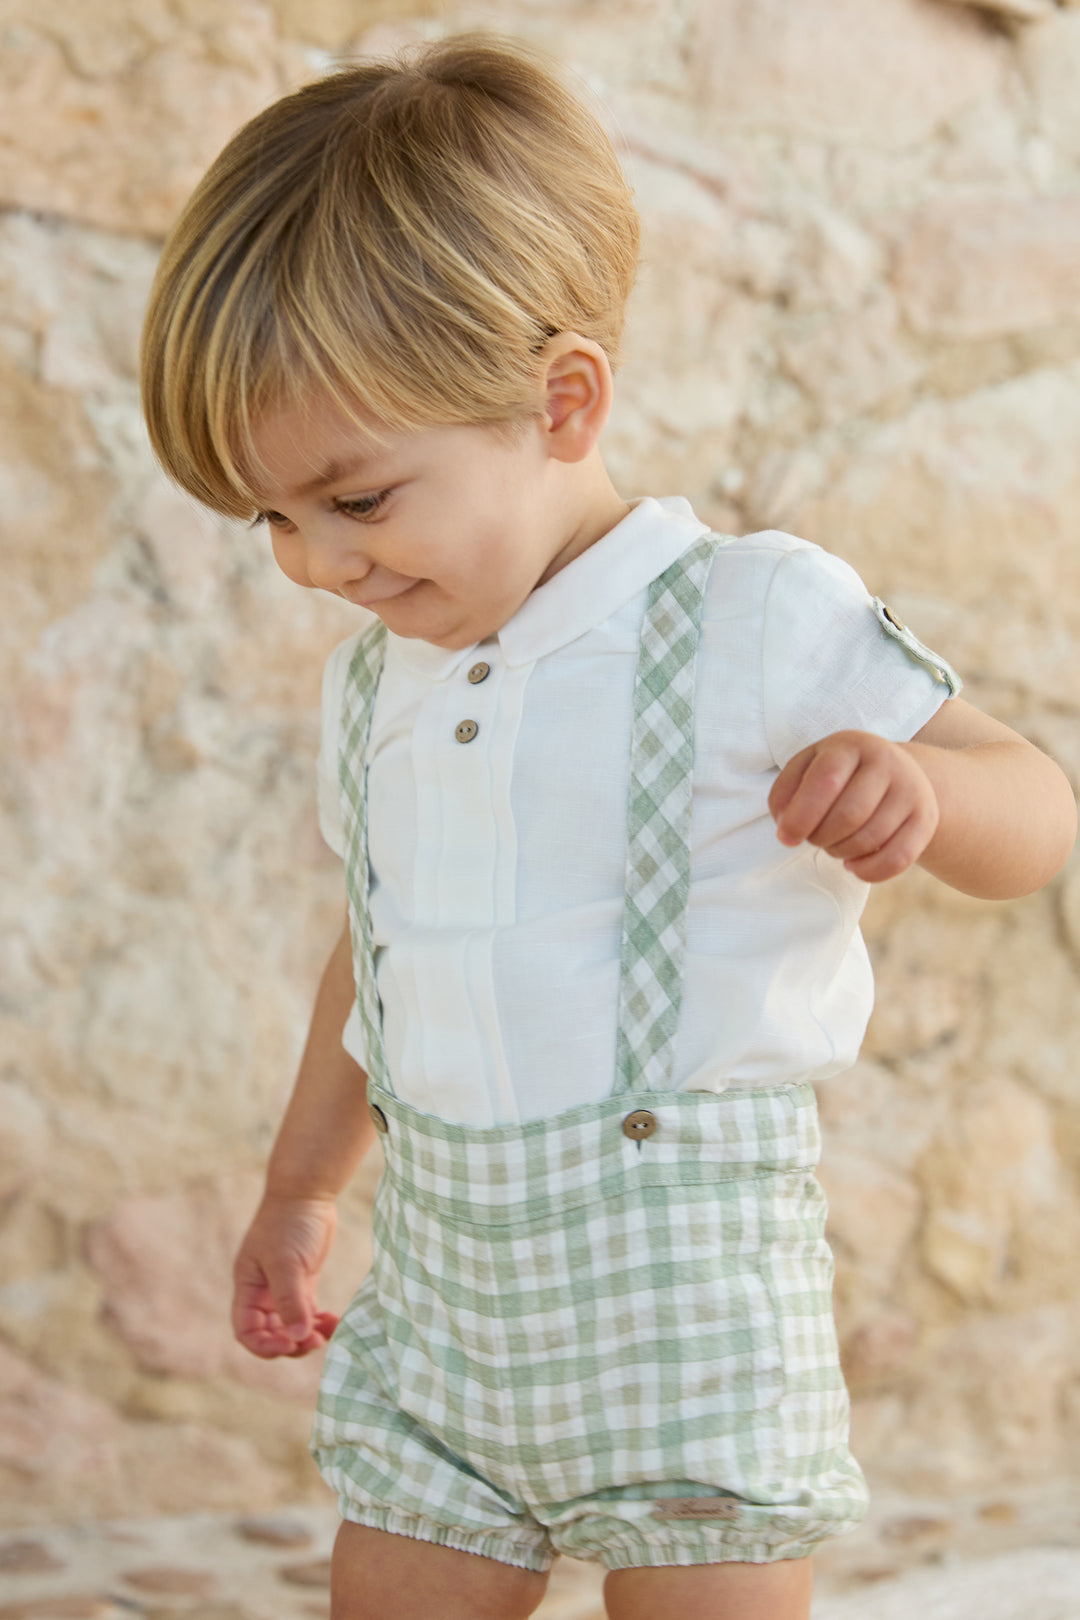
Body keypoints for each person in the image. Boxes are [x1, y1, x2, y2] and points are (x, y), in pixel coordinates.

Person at [139, 33, 1077, 1620]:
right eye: (269, 519)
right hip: (446, 1310)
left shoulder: (754, 612)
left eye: (356, 502)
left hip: (685, 1300)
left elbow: (1043, 816)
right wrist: (305, 1187)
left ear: (561, 400)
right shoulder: (379, 689)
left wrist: (927, 793)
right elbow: (376, 960)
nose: (311, 564)